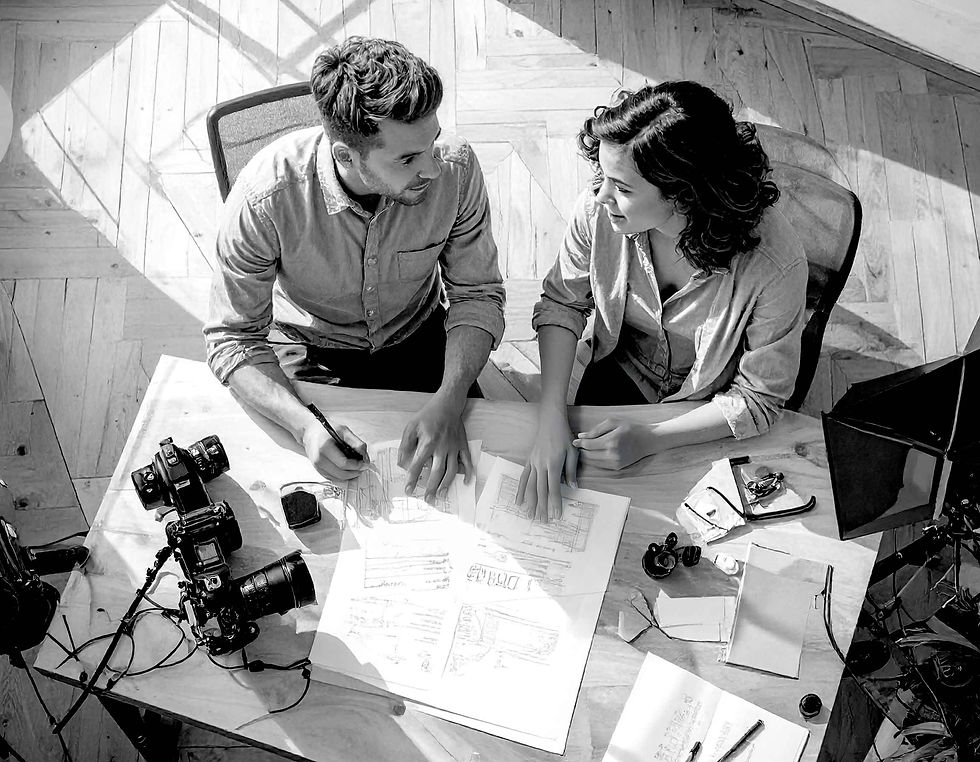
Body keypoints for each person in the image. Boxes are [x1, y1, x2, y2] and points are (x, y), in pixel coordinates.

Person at [205, 37, 505, 502]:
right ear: (347, 156)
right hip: (311, 351)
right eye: (407, 158)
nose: (432, 168)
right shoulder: (264, 199)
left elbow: (477, 295)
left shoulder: (456, 167)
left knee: (476, 488)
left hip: (420, 338)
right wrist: (305, 426)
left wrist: (450, 397)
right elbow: (232, 338)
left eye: (432, 143)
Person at [519, 81, 808, 521]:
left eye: (623, 188)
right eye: (604, 177)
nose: (601, 197)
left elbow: (759, 399)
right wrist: (550, 414)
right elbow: (562, 304)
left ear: (683, 194)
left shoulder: (775, 264)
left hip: (708, 405)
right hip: (617, 370)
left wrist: (653, 437)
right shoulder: (599, 212)